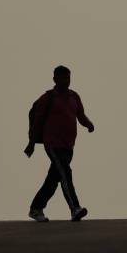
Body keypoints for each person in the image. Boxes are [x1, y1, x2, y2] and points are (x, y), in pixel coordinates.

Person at [24, 65, 95, 222]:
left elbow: (80, 115)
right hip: (53, 144)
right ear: (55, 79)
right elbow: (38, 122)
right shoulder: (48, 98)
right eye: (62, 78)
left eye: (68, 78)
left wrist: (89, 125)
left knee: (54, 178)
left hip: (68, 145)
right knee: (65, 174)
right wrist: (31, 143)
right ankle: (75, 208)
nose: (66, 81)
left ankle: (36, 208)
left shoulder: (74, 97)